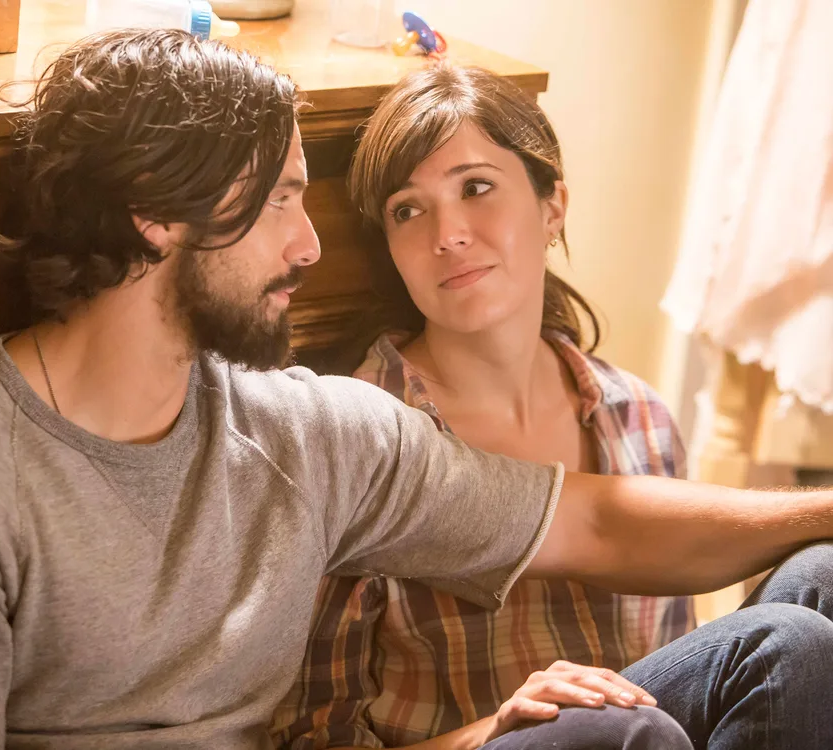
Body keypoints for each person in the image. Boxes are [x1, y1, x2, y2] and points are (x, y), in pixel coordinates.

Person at [0, 29, 833, 750]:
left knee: (808, 609)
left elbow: (594, 522)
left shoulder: (307, 428)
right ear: (156, 212)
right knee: (614, 733)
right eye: (282, 200)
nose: (311, 247)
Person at [270, 65, 833, 750]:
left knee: (820, 577)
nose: (446, 234)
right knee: (755, 655)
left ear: (552, 206)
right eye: (407, 210)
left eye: (476, 188)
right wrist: (498, 725)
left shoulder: (640, 416)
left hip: (644, 737)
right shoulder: (359, 440)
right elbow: (312, 739)